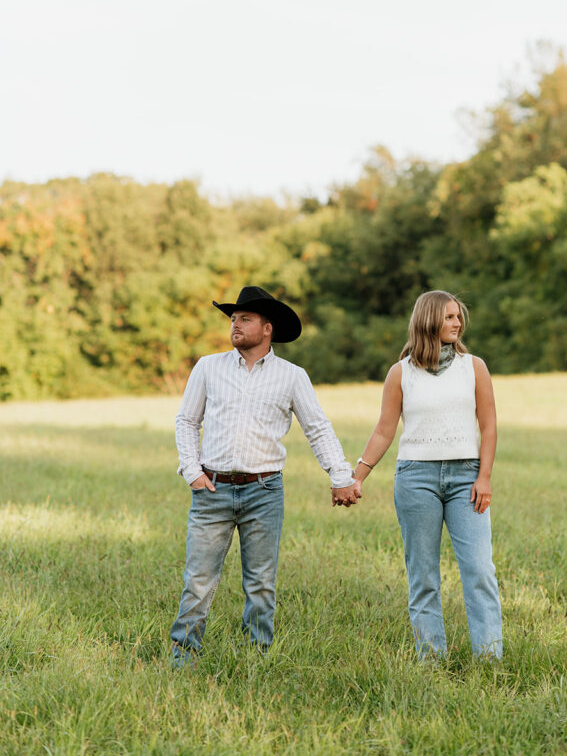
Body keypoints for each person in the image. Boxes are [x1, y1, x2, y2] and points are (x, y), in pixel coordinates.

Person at [170, 285, 361, 665]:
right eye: (233, 319)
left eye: (245, 319)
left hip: (264, 490)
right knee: (199, 580)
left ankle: (255, 655)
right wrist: (192, 472)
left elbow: (317, 428)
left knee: (260, 582)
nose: (235, 325)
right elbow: (187, 421)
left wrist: (341, 475)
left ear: (267, 328)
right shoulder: (208, 367)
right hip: (212, 488)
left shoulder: (292, 377)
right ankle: (183, 654)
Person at [351, 290, 502, 659]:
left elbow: (490, 425)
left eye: (458, 317)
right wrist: (357, 476)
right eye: (449, 317)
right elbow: (384, 430)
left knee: (480, 571)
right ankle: (431, 659)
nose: (457, 323)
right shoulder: (401, 373)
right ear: (428, 320)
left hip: (467, 477)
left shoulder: (474, 366)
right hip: (416, 478)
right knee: (423, 577)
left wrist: (484, 478)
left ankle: (489, 660)